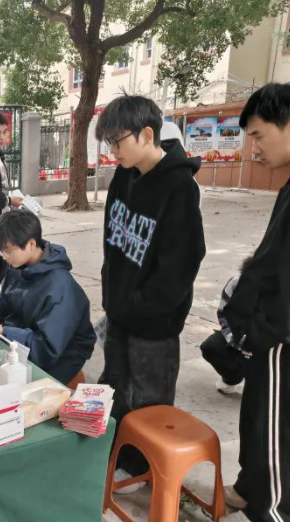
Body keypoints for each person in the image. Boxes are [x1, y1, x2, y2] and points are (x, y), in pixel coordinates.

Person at [95, 94, 206, 490]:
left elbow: (182, 265)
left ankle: (147, 474)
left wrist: (141, 306)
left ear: (146, 134)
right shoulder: (123, 176)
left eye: (117, 141)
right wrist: (113, 296)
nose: (112, 151)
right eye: (108, 143)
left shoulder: (179, 187)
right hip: (119, 313)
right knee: (116, 390)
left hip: (154, 325)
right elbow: (112, 242)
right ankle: (118, 458)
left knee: (150, 402)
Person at [218, 83, 290, 522]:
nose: (254, 147)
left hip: (280, 336)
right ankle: (250, 487)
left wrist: (262, 330)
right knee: (259, 422)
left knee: (274, 435)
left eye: (259, 135)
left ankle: (272, 509)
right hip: (267, 335)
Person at [0, 210, 95, 384]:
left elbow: (47, 349)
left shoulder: (60, 288)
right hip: (27, 333)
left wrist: (2, 332)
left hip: (62, 354)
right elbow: (6, 298)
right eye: (0, 251)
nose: (4, 257)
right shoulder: (20, 265)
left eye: (8, 251)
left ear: (30, 244)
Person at [199, 257, 253, 395]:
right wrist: (241, 344)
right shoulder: (235, 284)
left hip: (270, 348)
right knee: (211, 347)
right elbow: (224, 316)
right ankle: (233, 378)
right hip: (242, 340)